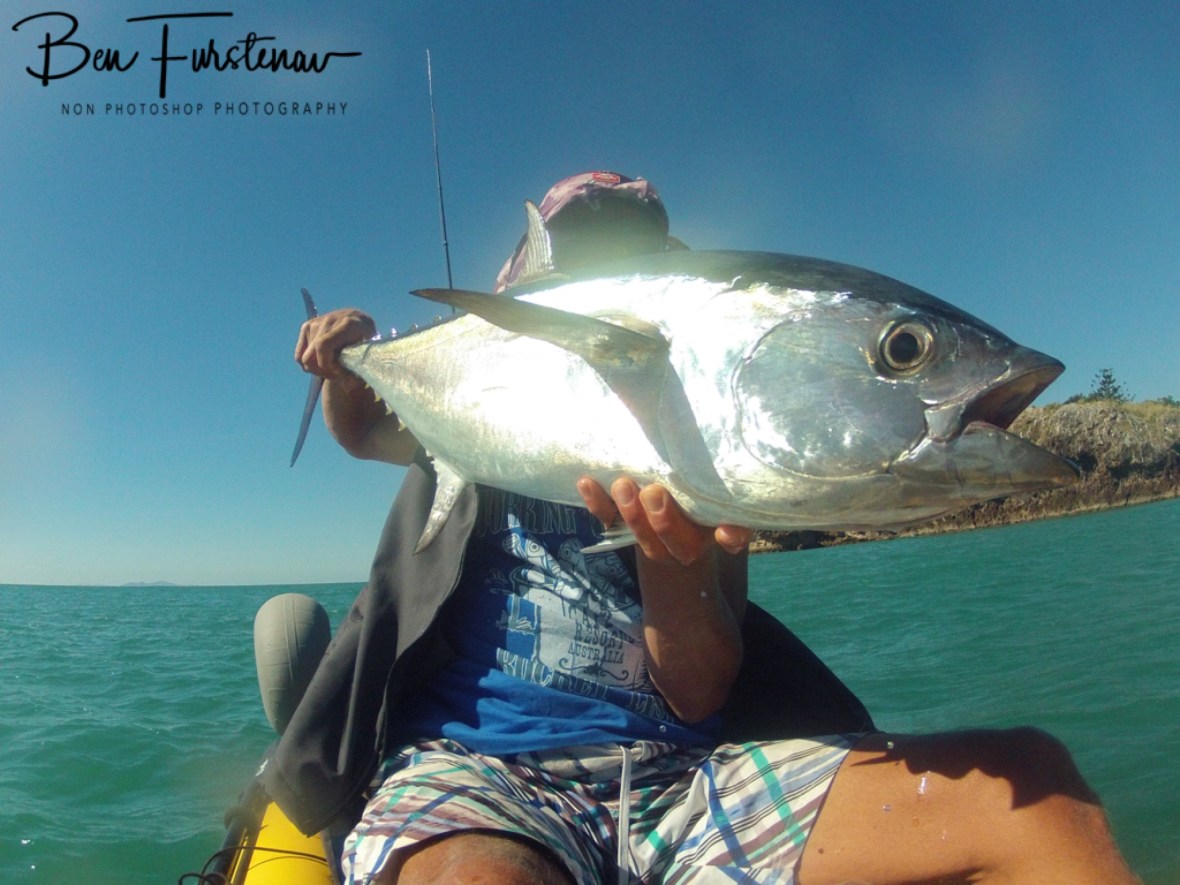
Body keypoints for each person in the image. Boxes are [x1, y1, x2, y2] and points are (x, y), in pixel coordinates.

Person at [280, 172, 1137, 884]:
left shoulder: (711, 473)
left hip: (684, 782)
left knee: (1038, 790)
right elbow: (364, 430)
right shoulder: (471, 404)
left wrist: (676, 569)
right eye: (904, 351)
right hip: (481, 770)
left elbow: (695, 690)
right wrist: (343, 358)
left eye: (900, 352)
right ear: (520, 289)